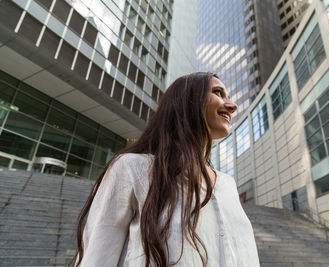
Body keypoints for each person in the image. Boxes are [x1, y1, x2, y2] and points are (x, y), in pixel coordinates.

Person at [73, 72, 260, 267]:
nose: (232, 105)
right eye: (218, 92)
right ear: (187, 101)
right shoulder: (132, 168)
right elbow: (97, 256)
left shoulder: (228, 184)